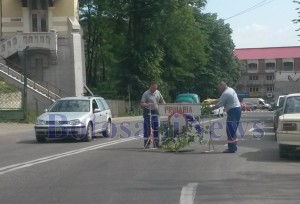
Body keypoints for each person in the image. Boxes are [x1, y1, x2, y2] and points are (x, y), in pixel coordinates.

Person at [206, 81, 241, 153]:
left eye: (219, 88)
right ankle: (233, 147)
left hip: (233, 111)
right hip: (236, 110)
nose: (218, 90)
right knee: (232, 130)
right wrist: (211, 102)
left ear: (222, 87)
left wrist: (209, 109)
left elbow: (219, 105)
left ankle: (232, 149)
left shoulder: (226, 93)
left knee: (230, 130)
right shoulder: (230, 89)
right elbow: (220, 99)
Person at [140, 81, 166, 148]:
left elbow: (162, 101)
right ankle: (147, 143)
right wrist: (148, 104)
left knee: (156, 127)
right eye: (154, 88)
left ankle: (156, 143)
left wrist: (165, 107)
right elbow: (142, 104)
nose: (155, 89)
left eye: (156, 88)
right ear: (150, 86)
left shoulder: (158, 92)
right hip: (147, 111)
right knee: (148, 127)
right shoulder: (146, 93)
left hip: (155, 111)